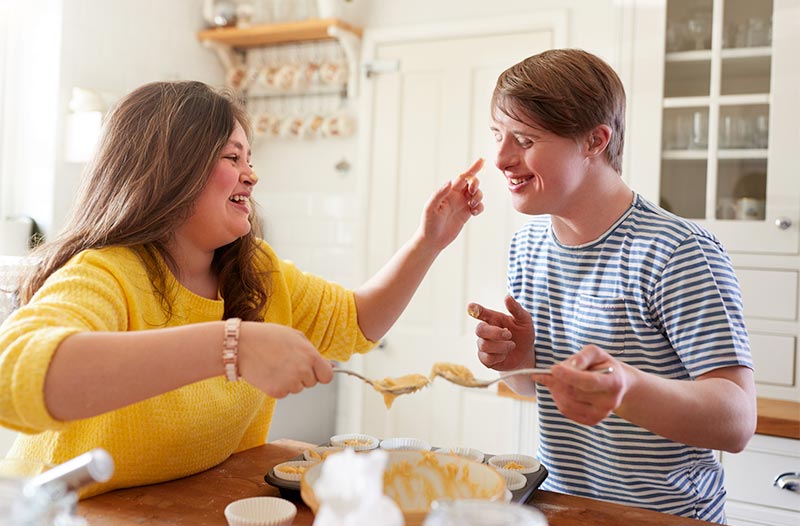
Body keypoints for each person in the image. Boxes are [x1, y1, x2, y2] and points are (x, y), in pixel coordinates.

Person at [0, 80, 484, 497]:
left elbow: (354, 323)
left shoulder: (258, 273)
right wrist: (231, 346)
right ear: (171, 169)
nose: (252, 175)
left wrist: (429, 242)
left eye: (249, 159)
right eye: (233, 157)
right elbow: (11, 376)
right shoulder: (108, 274)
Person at [468, 49, 754, 523]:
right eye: (498, 135)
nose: (500, 158)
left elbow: (737, 422)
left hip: (663, 517)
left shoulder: (677, 251)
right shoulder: (527, 245)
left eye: (525, 139)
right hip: (563, 506)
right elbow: (534, 388)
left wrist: (627, 387)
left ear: (595, 141)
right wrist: (520, 360)